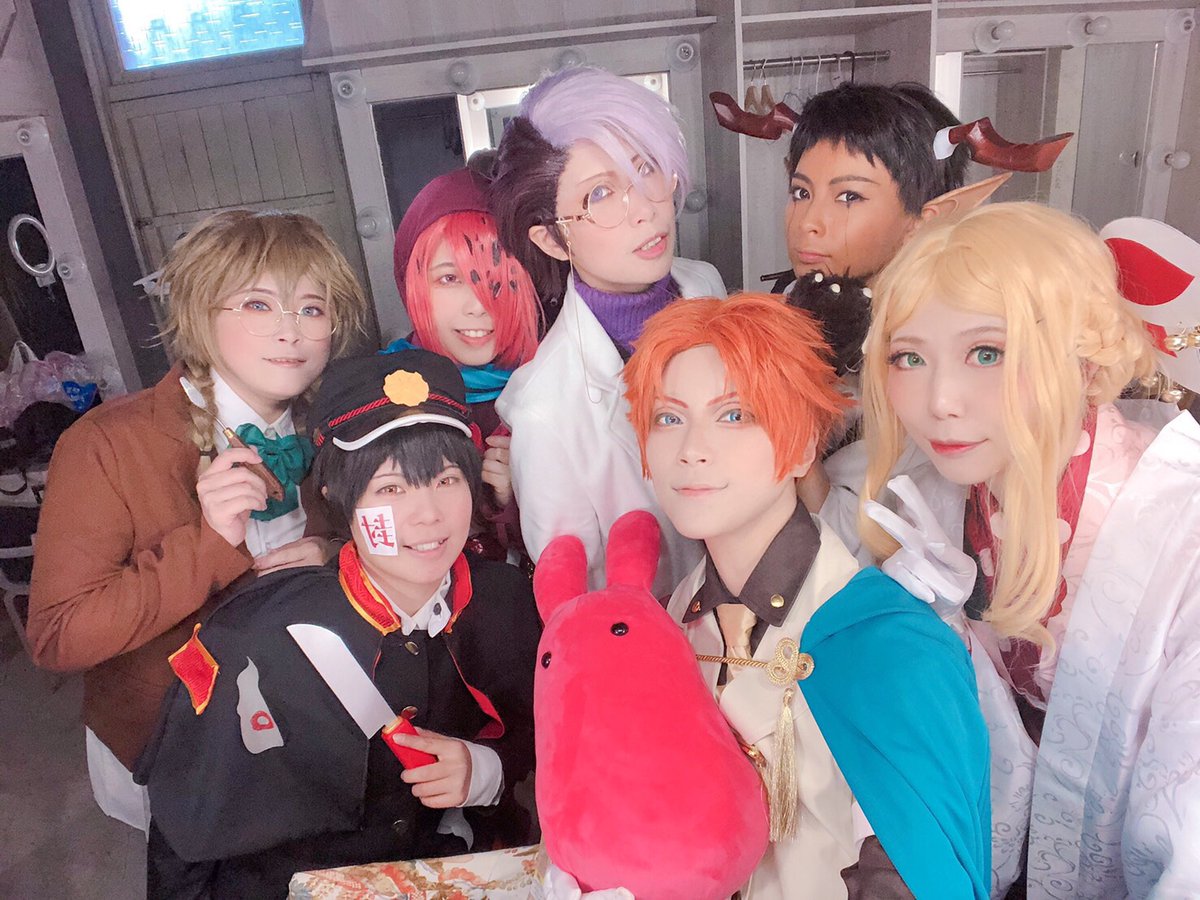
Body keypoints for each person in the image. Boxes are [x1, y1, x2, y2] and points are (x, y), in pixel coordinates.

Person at [859, 202, 1200, 897]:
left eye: (988, 352)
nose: (940, 400)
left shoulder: (1184, 534)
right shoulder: (933, 498)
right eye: (909, 357)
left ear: (1087, 364)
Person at [624, 292, 991, 899]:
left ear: (800, 448)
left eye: (734, 415)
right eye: (668, 418)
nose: (690, 449)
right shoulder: (676, 615)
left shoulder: (888, 642)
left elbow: (915, 877)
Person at [135, 350, 541, 898]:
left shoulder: (508, 600)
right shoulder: (256, 638)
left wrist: (485, 770)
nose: (429, 515)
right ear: (335, 495)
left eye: (447, 480)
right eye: (391, 489)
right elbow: (185, 833)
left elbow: (550, 733)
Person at [26, 209, 367, 837]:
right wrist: (209, 545)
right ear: (200, 314)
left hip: (315, 718)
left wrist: (335, 554)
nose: (290, 331)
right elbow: (58, 636)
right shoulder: (107, 443)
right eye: (258, 305)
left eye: (312, 309)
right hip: (181, 746)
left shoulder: (339, 424)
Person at [489, 64, 726, 594]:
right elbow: (577, 603)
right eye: (599, 195)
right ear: (553, 240)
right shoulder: (545, 413)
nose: (644, 209)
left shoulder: (705, 284)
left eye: (646, 168)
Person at [387, 166, 541, 562]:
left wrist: (518, 498)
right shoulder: (378, 397)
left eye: (499, 279)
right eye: (449, 279)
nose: (478, 305)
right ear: (412, 283)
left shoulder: (554, 386)